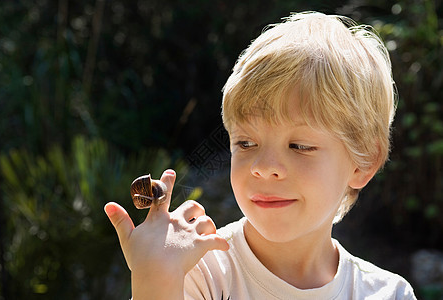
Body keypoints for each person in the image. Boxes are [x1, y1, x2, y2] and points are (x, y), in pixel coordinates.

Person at [104, 12, 417, 299]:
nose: (264, 168)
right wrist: (154, 277)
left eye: (300, 146)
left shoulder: (389, 294)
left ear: (363, 161)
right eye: (246, 143)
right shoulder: (196, 273)